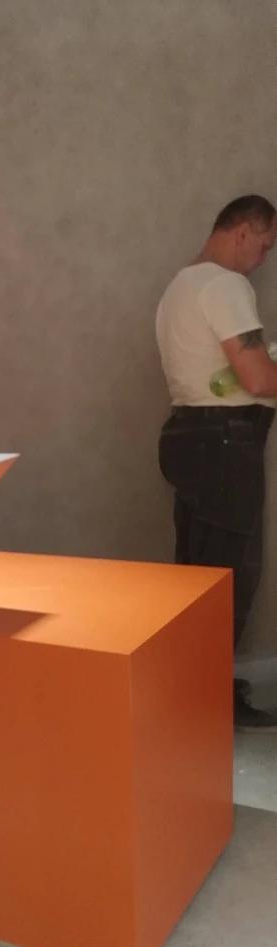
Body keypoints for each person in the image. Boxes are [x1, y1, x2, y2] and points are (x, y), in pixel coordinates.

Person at [157, 194, 277, 731]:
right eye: (265, 245)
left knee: (198, 575)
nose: (264, 259)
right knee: (229, 576)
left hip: (190, 438)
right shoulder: (225, 285)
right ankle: (209, 703)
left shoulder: (180, 286)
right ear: (244, 230)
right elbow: (257, 379)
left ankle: (194, 692)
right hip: (226, 444)